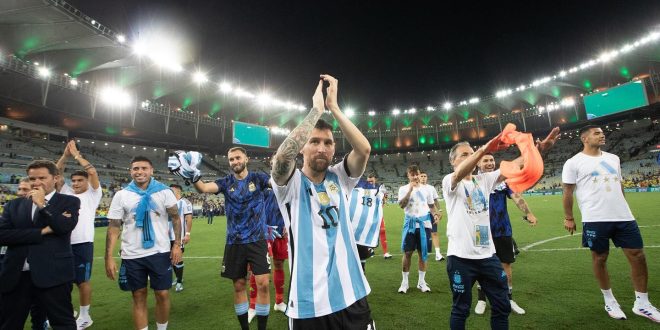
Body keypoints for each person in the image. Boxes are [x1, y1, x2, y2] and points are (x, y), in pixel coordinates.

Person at [270, 75, 374, 329]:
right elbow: (282, 158)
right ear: (302, 148)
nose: (321, 148)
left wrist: (334, 108)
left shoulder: (340, 177)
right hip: (309, 305)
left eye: (328, 143)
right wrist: (316, 110)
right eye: (314, 142)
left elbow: (364, 150)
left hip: (353, 294)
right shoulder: (289, 184)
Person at [443, 128, 558, 330]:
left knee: (502, 305)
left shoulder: (484, 180)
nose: (471, 157)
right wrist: (482, 150)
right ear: (453, 161)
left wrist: (537, 150)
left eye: (472, 153)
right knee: (460, 309)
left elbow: (515, 164)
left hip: (488, 257)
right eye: (464, 155)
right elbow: (460, 174)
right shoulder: (449, 181)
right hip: (461, 258)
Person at [562, 125, 660, 322]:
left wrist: (625, 207)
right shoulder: (573, 163)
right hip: (595, 218)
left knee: (638, 255)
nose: (602, 135)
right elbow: (567, 193)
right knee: (600, 258)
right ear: (585, 139)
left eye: (602, 132)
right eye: (596, 133)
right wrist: (569, 217)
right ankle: (609, 299)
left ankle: (642, 303)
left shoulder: (613, 158)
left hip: (623, 216)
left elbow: (619, 185)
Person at [192, 147, 271, 330]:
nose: (235, 162)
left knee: (264, 284)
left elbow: (277, 183)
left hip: (257, 239)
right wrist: (194, 176)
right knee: (239, 285)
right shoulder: (226, 182)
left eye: (237, 158)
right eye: (231, 159)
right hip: (234, 241)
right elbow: (203, 188)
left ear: (246, 159)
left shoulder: (258, 178)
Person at [0, 160, 80, 329]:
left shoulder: (69, 202)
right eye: (32, 179)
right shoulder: (13, 205)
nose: (36, 183)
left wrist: (42, 204)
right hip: (16, 275)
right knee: (9, 324)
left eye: (42, 178)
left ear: (56, 178)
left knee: (62, 323)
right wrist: (41, 232)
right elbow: (3, 235)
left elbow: (63, 227)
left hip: (54, 274)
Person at [105, 156, 183, 330]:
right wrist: (108, 257)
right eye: (136, 169)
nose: (139, 172)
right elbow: (114, 226)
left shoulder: (164, 192)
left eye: (143, 168)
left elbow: (176, 218)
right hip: (132, 254)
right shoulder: (122, 195)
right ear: (130, 171)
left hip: (160, 252)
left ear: (151, 171)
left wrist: (177, 245)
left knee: (162, 294)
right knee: (138, 296)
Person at [474, 153, 538, 316]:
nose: (489, 163)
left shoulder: (504, 182)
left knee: (506, 265)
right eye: (485, 160)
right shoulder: (474, 181)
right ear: (478, 164)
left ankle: (508, 298)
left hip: (502, 230)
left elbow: (517, 197)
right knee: (481, 265)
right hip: (481, 231)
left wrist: (529, 213)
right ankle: (481, 299)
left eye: (491, 160)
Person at [56, 140, 102, 329]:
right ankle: (69, 312)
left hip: (83, 243)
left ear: (87, 183)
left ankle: (85, 316)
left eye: (79, 180)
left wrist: (76, 155)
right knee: (62, 281)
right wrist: (65, 156)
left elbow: (92, 172)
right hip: (62, 243)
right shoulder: (66, 193)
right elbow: (55, 174)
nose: (75, 183)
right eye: (73, 180)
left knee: (82, 281)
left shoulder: (93, 194)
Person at [397, 165, 441, 293]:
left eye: (417, 174)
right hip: (410, 223)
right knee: (407, 253)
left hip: (425, 223)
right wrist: (410, 190)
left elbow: (431, 206)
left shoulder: (427, 189)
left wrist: (436, 214)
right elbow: (401, 205)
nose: (415, 176)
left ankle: (421, 282)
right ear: (408, 176)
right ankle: (404, 283)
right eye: (412, 174)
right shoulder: (403, 189)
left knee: (423, 254)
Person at [249, 186, 288, 317]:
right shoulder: (263, 186)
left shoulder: (289, 186)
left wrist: (290, 224)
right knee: (258, 269)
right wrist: (263, 227)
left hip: (281, 232)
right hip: (264, 232)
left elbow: (293, 207)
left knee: (279, 265)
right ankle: (252, 307)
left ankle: (279, 302)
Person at [349, 173, 386, 272]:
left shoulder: (379, 190)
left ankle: (362, 270)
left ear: (375, 179)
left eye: (371, 178)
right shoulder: (358, 189)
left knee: (362, 253)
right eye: (368, 179)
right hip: (356, 224)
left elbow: (383, 203)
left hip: (371, 220)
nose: (370, 180)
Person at [168, 184, 193, 292]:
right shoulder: (168, 202)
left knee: (177, 258)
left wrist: (187, 233)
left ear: (178, 190)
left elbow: (189, 218)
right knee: (170, 258)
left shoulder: (185, 202)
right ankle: (178, 277)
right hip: (166, 236)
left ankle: (179, 282)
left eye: (172, 189)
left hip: (178, 236)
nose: (170, 191)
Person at [419, 171, 444, 261]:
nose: (423, 177)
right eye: (421, 176)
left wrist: (439, 210)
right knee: (422, 233)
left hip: (431, 213)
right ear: (418, 177)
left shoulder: (431, 188)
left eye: (425, 176)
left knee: (434, 233)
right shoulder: (416, 188)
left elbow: (435, 201)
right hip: (421, 214)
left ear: (427, 177)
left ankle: (438, 253)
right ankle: (423, 252)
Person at [367, 174, 392, 259]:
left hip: (378, 215)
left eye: (371, 180)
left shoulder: (380, 188)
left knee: (382, 232)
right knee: (369, 233)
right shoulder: (365, 189)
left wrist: (384, 195)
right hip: (368, 215)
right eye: (369, 180)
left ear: (375, 180)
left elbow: (384, 201)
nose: (370, 182)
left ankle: (385, 253)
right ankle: (369, 250)